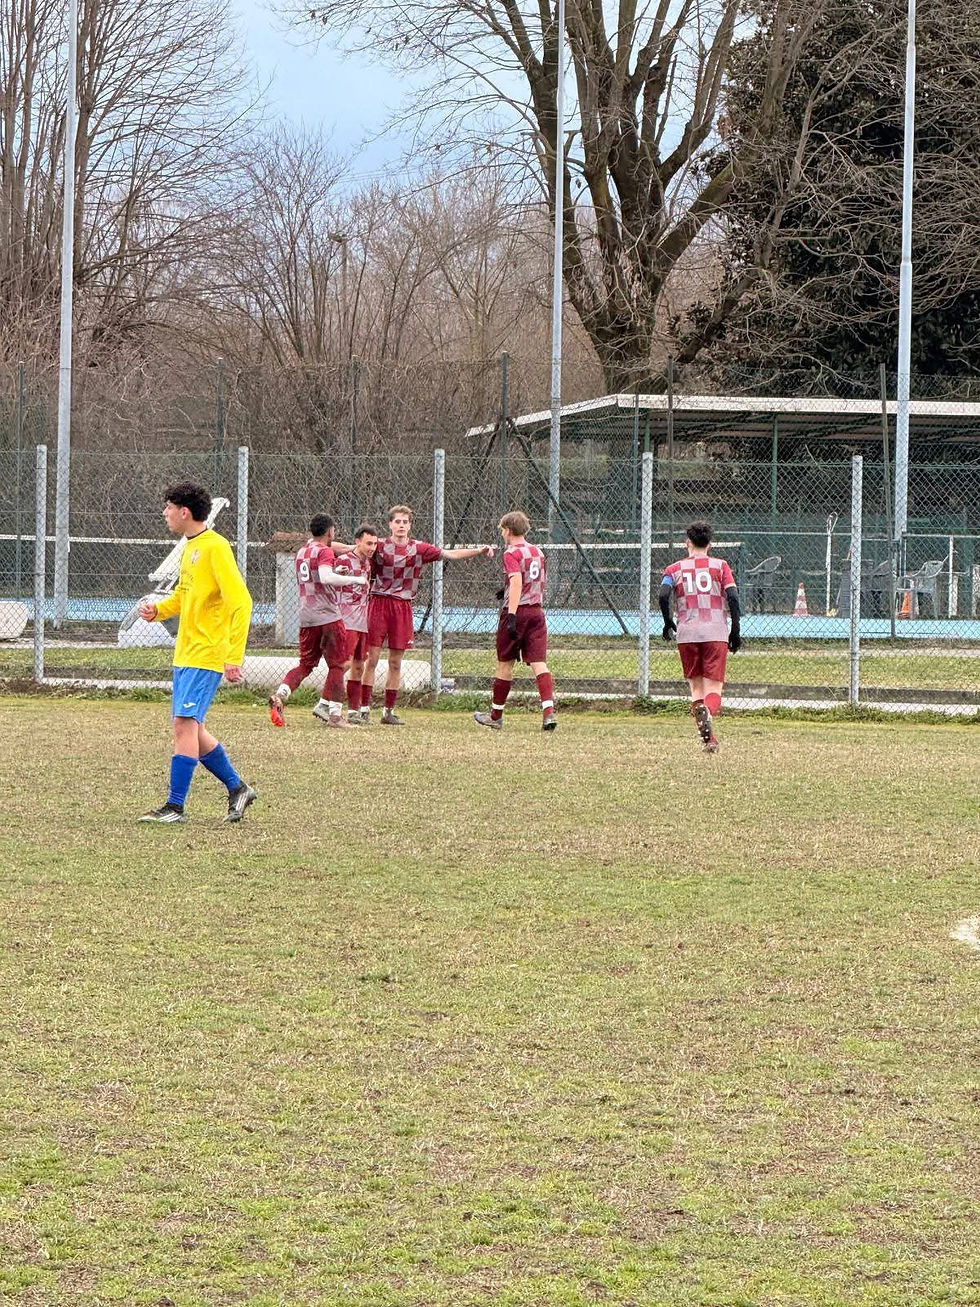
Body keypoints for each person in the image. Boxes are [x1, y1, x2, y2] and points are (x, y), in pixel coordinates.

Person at [137, 482, 256, 823]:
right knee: (192, 729)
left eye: (168, 507)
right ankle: (237, 788)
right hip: (186, 652)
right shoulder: (190, 547)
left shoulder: (215, 548)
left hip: (207, 653)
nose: (165, 513)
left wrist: (233, 656)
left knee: (183, 726)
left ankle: (175, 807)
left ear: (184, 512)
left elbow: (241, 602)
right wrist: (158, 610)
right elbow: (186, 595)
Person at [362, 504, 494, 725]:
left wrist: (478, 550)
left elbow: (449, 554)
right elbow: (352, 548)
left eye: (405, 522)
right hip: (379, 604)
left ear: (410, 525)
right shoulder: (379, 546)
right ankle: (364, 709)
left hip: (403, 607)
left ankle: (388, 711)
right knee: (372, 659)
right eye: (397, 521)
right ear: (390, 524)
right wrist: (320, 544)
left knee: (396, 662)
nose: (401, 525)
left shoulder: (419, 548)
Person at [268, 514, 369, 730]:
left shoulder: (303, 550)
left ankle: (280, 695)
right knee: (337, 664)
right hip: (328, 616)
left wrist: (335, 571)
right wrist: (355, 579)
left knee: (305, 665)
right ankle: (335, 715)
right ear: (330, 531)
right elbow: (325, 577)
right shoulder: (324, 550)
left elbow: (318, 575)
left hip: (306, 617)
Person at [659, 520, 741, 753]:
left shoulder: (673, 569)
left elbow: (664, 595)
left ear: (687, 543)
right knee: (713, 689)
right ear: (710, 544)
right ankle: (709, 713)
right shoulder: (721, 566)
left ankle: (710, 740)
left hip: (687, 633)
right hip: (715, 631)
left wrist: (667, 622)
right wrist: (735, 628)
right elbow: (733, 597)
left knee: (696, 689)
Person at [474, 510, 556, 733]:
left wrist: (511, 614)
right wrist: (507, 589)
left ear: (508, 530)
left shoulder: (511, 553)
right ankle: (549, 712)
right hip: (537, 612)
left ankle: (495, 716)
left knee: (505, 662)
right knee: (539, 663)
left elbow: (518, 580)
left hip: (517, 611)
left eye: (502, 530)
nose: (502, 534)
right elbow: (537, 579)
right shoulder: (538, 551)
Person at [331, 523, 379, 724]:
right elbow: (330, 581)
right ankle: (329, 703)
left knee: (359, 665)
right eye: (368, 543)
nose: (372, 548)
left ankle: (353, 711)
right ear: (358, 542)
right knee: (345, 663)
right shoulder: (343, 561)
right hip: (347, 620)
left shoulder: (367, 563)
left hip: (362, 620)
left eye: (375, 544)